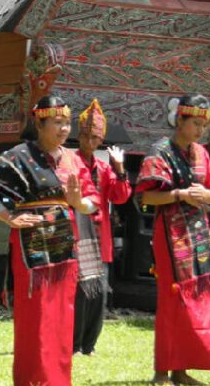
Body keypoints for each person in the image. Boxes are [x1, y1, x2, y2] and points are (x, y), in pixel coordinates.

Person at [0, 95, 99, 386]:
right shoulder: (18, 156)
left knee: (62, 316)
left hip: (64, 249)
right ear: (39, 124)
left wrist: (78, 202)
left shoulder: (73, 159)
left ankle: (57, 380)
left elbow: (93, 202)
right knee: (36, 318)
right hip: (31, 249)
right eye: (57, 122)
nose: (64, 129)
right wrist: (8, 217)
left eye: (67, 123)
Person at [135, 94, 210, 386]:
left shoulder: (202, 154)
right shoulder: (160, 152)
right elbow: (147, 195)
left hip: (197, 232)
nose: (200, 130)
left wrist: (203, 196)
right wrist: (179, 194)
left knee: (195, 299)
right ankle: (162, 370)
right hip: (170, 234)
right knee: (172, 300)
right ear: (180, 120)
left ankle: (182, 371)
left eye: (203, 125)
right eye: (195, 123)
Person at [73, 99, 131, 356]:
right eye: (87, 136)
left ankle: (89, 344)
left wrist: (120, 170)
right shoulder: (68, 161)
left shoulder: (105, 167)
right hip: (77, 236)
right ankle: (74, 344)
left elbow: (120, 197)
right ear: (80, 135)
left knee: (98, 294)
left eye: (96, 137)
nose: (91, 141)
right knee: (78, 294)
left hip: (101, 237)